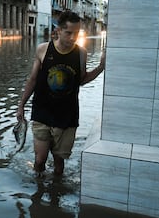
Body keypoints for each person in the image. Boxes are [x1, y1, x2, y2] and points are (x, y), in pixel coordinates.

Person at [16, 10, 105, 176]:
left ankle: (55, 195)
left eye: (77, 33)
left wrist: (100, 68)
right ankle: (38, 194)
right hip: (42, 112)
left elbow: (81, 79)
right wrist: (21, 106)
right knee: (40, 160)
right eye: (69, 33)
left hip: (67, 116)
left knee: (59, 163)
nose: (73, 38)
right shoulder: (43, 50)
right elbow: (33, 80)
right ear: (58, 31)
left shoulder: (81, 53)